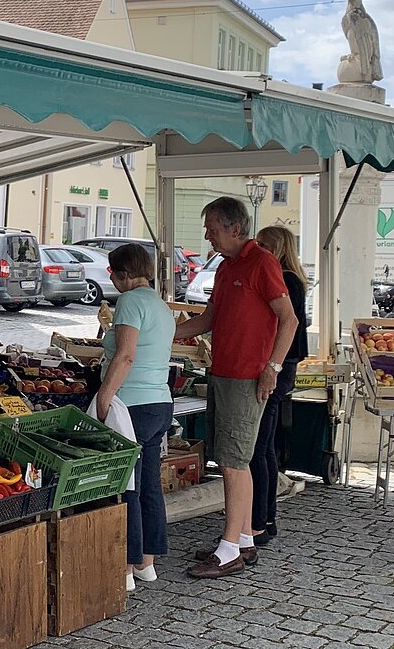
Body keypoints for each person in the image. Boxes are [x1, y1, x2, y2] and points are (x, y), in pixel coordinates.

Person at [175, 197, 299, 580]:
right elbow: (209, 319)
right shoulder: (227, 267)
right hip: (223, 373)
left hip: (247, 376)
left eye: (212, 227)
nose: (207, 235)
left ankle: (228, 550)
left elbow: (289, 320)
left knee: (234, 461)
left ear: (235, 228)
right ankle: (242, 540)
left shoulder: (262, 262)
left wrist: (272, 368)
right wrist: (162, 333)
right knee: (229, 457)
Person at [94, 244, 176, 593]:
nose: (111, 279)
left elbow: (125, 356)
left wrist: (104, 396)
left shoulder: (129, 302)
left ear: (122, 273)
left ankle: (125, 568)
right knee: (148, 485)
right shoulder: (160, 304)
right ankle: (147, 562)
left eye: (112, 273)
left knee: (125, 486)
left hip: (132, 406)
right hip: (159, 402)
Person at [247, 225, 309, 547]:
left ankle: (259, 521)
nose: (257, 249)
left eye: (263, 244)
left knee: (258, 447)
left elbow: (284, 326)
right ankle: (266, 519)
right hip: (284, 367)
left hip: (277, 367)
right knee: (265, 446)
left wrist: (270, 366)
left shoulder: (284, 279)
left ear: (277, 248)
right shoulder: (294, 280)